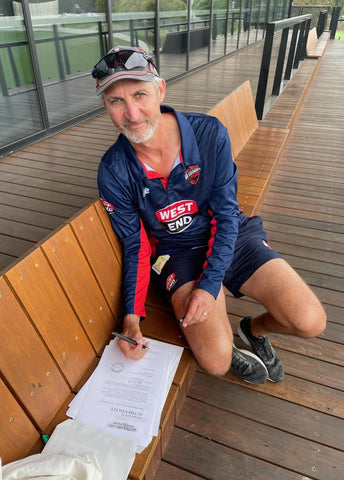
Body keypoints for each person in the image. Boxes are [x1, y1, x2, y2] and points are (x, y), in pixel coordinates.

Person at [92, 46, 326, 384]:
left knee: (310, 321)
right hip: (178, 254)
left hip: (232, 235)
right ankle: (226, 342)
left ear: (160, 89)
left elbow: (227, 215)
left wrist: (210, 284)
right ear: (105, 106)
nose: (132, 113)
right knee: (216, 362)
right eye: (116, 101)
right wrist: (132, 318)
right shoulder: (113, 170)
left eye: (140, 94)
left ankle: (253, 330)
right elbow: (135, 246)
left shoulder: (208, 133)